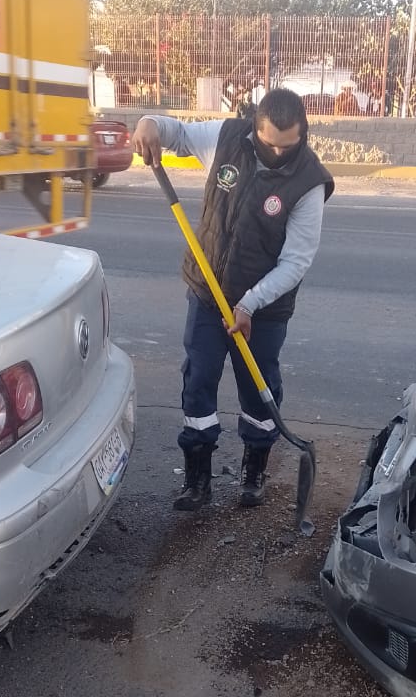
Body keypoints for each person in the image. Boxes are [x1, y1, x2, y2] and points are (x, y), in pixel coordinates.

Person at [131, 89, 334, 513]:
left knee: (258, 394)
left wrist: (249, 305)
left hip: (264, 311)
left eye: (288, 144)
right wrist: (150, 123)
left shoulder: (309, 184)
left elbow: (296, 262)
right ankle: (197, 479)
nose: (278, 152)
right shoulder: (227, 138)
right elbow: (178, 134)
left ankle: (254, 469)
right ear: (254, 128)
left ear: (303, 134)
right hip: (208, 294)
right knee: (198, 381)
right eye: (269, 142)